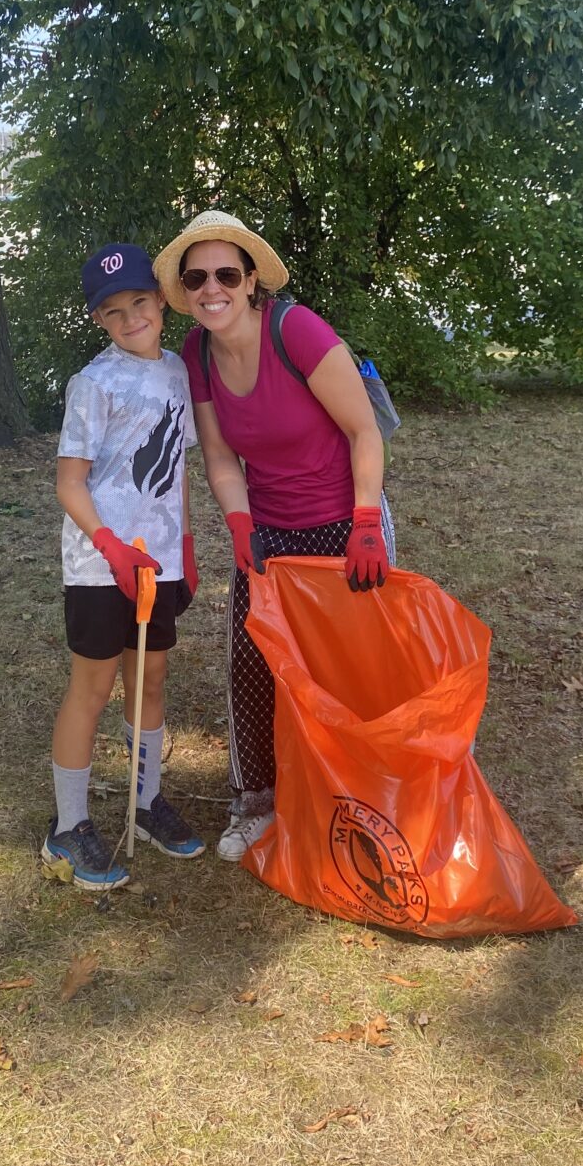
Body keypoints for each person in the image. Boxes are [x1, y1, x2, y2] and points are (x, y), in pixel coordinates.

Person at [152, 211, 394, 862]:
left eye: (226, 273)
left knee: (354, 669)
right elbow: (221, 457)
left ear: (252, 280)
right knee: (255, 663)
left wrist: (367, 523)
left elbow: (364, 432)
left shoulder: (298, 331)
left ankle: (369, 796)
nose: (212, 288)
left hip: (349, 524)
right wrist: (239, 524)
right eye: (197, 277)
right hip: (271, 532)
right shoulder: (199, 354)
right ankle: (256, 803)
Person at [44, 242, 206, 891]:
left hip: (159, 560)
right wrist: (110, 546)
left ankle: (145, 803)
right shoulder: (94, 384)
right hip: (99, 564)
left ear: (162, 300)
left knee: (152, 678)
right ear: (99, 321)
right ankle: (69, 827)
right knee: (94, 686)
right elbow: (69, 483)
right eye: (113, 311)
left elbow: (179, 468)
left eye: (140, 302)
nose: (130, 317)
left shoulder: (177, 374)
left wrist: (187, 547)